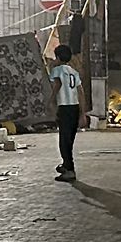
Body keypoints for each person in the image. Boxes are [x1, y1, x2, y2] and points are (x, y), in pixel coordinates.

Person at [49, 45, 82, 180]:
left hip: (64, 107)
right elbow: (81, 92)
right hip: (74, 107)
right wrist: (83, 112)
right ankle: (66, 164)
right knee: (70, 139)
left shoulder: (56, 70)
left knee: (64, 141)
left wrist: (51, 100)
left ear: (57, 57)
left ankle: (69, 169)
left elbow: (58, 85)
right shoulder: (74, 72)